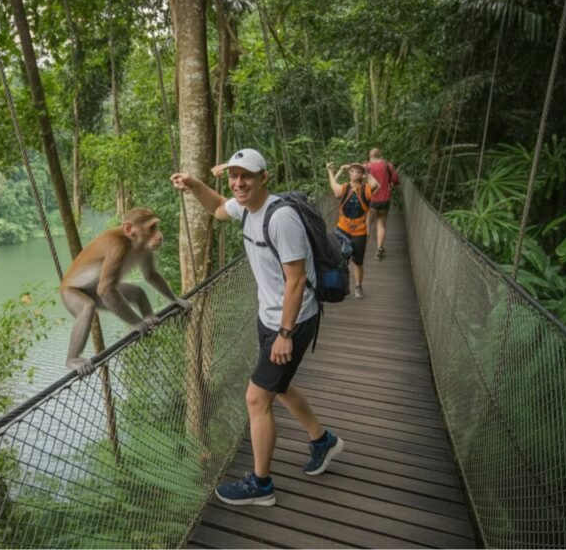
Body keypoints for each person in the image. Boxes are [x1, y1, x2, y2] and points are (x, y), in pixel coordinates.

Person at [170, 148, 344, 507]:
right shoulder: (246, 208)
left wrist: (284, 334)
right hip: (269, 316)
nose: (238, 183)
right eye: (233, 176)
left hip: (291, 322)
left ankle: (261, 485)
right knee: (277, 387)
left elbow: (296, 281)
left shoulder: (280, 219)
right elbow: (218, 209)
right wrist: (194, 184)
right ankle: (322, 439)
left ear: (264, 177)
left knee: (255, 398)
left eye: (246, 176)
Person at [327, 162, 378, 299]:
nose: (355, 173)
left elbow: (376, 185)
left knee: (358, 261)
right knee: (341, 259)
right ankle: (341, 285)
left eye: (358, 171)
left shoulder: (366, 189)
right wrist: (331, 172)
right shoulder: (344, 188)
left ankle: (358, 286)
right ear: (349, 173)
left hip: (360, 231)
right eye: (352, 171)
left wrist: (367, 173)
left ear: (362, 175)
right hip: (343, 230)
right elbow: (334, 187)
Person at [364, 148, 400, 260]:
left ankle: (361, 246)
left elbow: (358, 179)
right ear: (380, 155)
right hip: (385, 199)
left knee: (367, 224)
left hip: (371, 200)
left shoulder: (365, 166)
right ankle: (379, 248)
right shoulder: (387, 165)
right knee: (381, 224)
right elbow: (395, 179)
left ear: (370, 155)